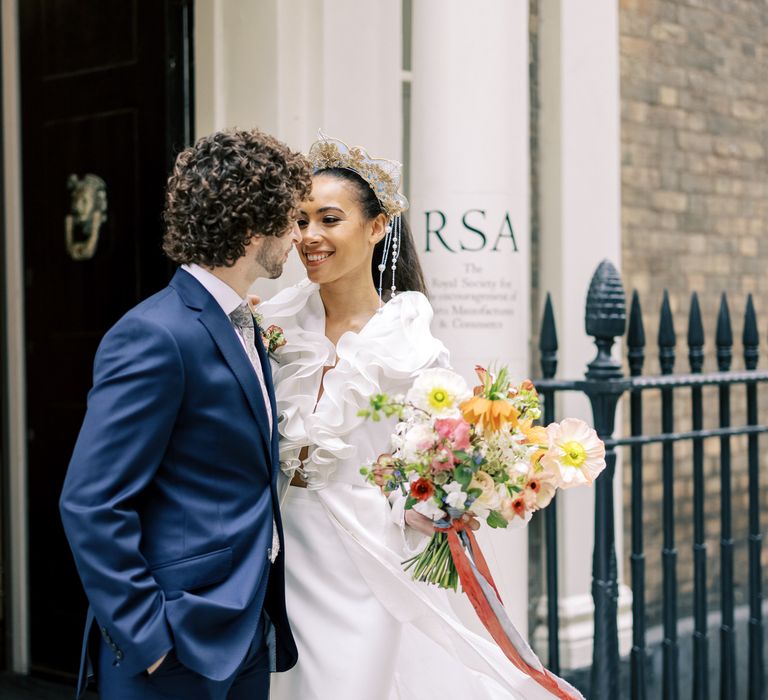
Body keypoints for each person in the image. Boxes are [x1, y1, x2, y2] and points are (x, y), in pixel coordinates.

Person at [261, 133, 583, 700]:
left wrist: (436, 500)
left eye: (329, 219)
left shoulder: (410, 344)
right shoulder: (273, 324)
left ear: (377, 227)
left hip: (369, 562)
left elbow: (430, 461)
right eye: (301, 220)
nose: (309, 236)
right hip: (282, 557)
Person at [59, 128, 311, 700]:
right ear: (253, 229)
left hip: (247, 628)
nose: (299, 237)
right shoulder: (154, 334)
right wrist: (148, 640)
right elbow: (91, 501)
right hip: (174, 640)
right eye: (292, 220)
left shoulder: (241, 322)